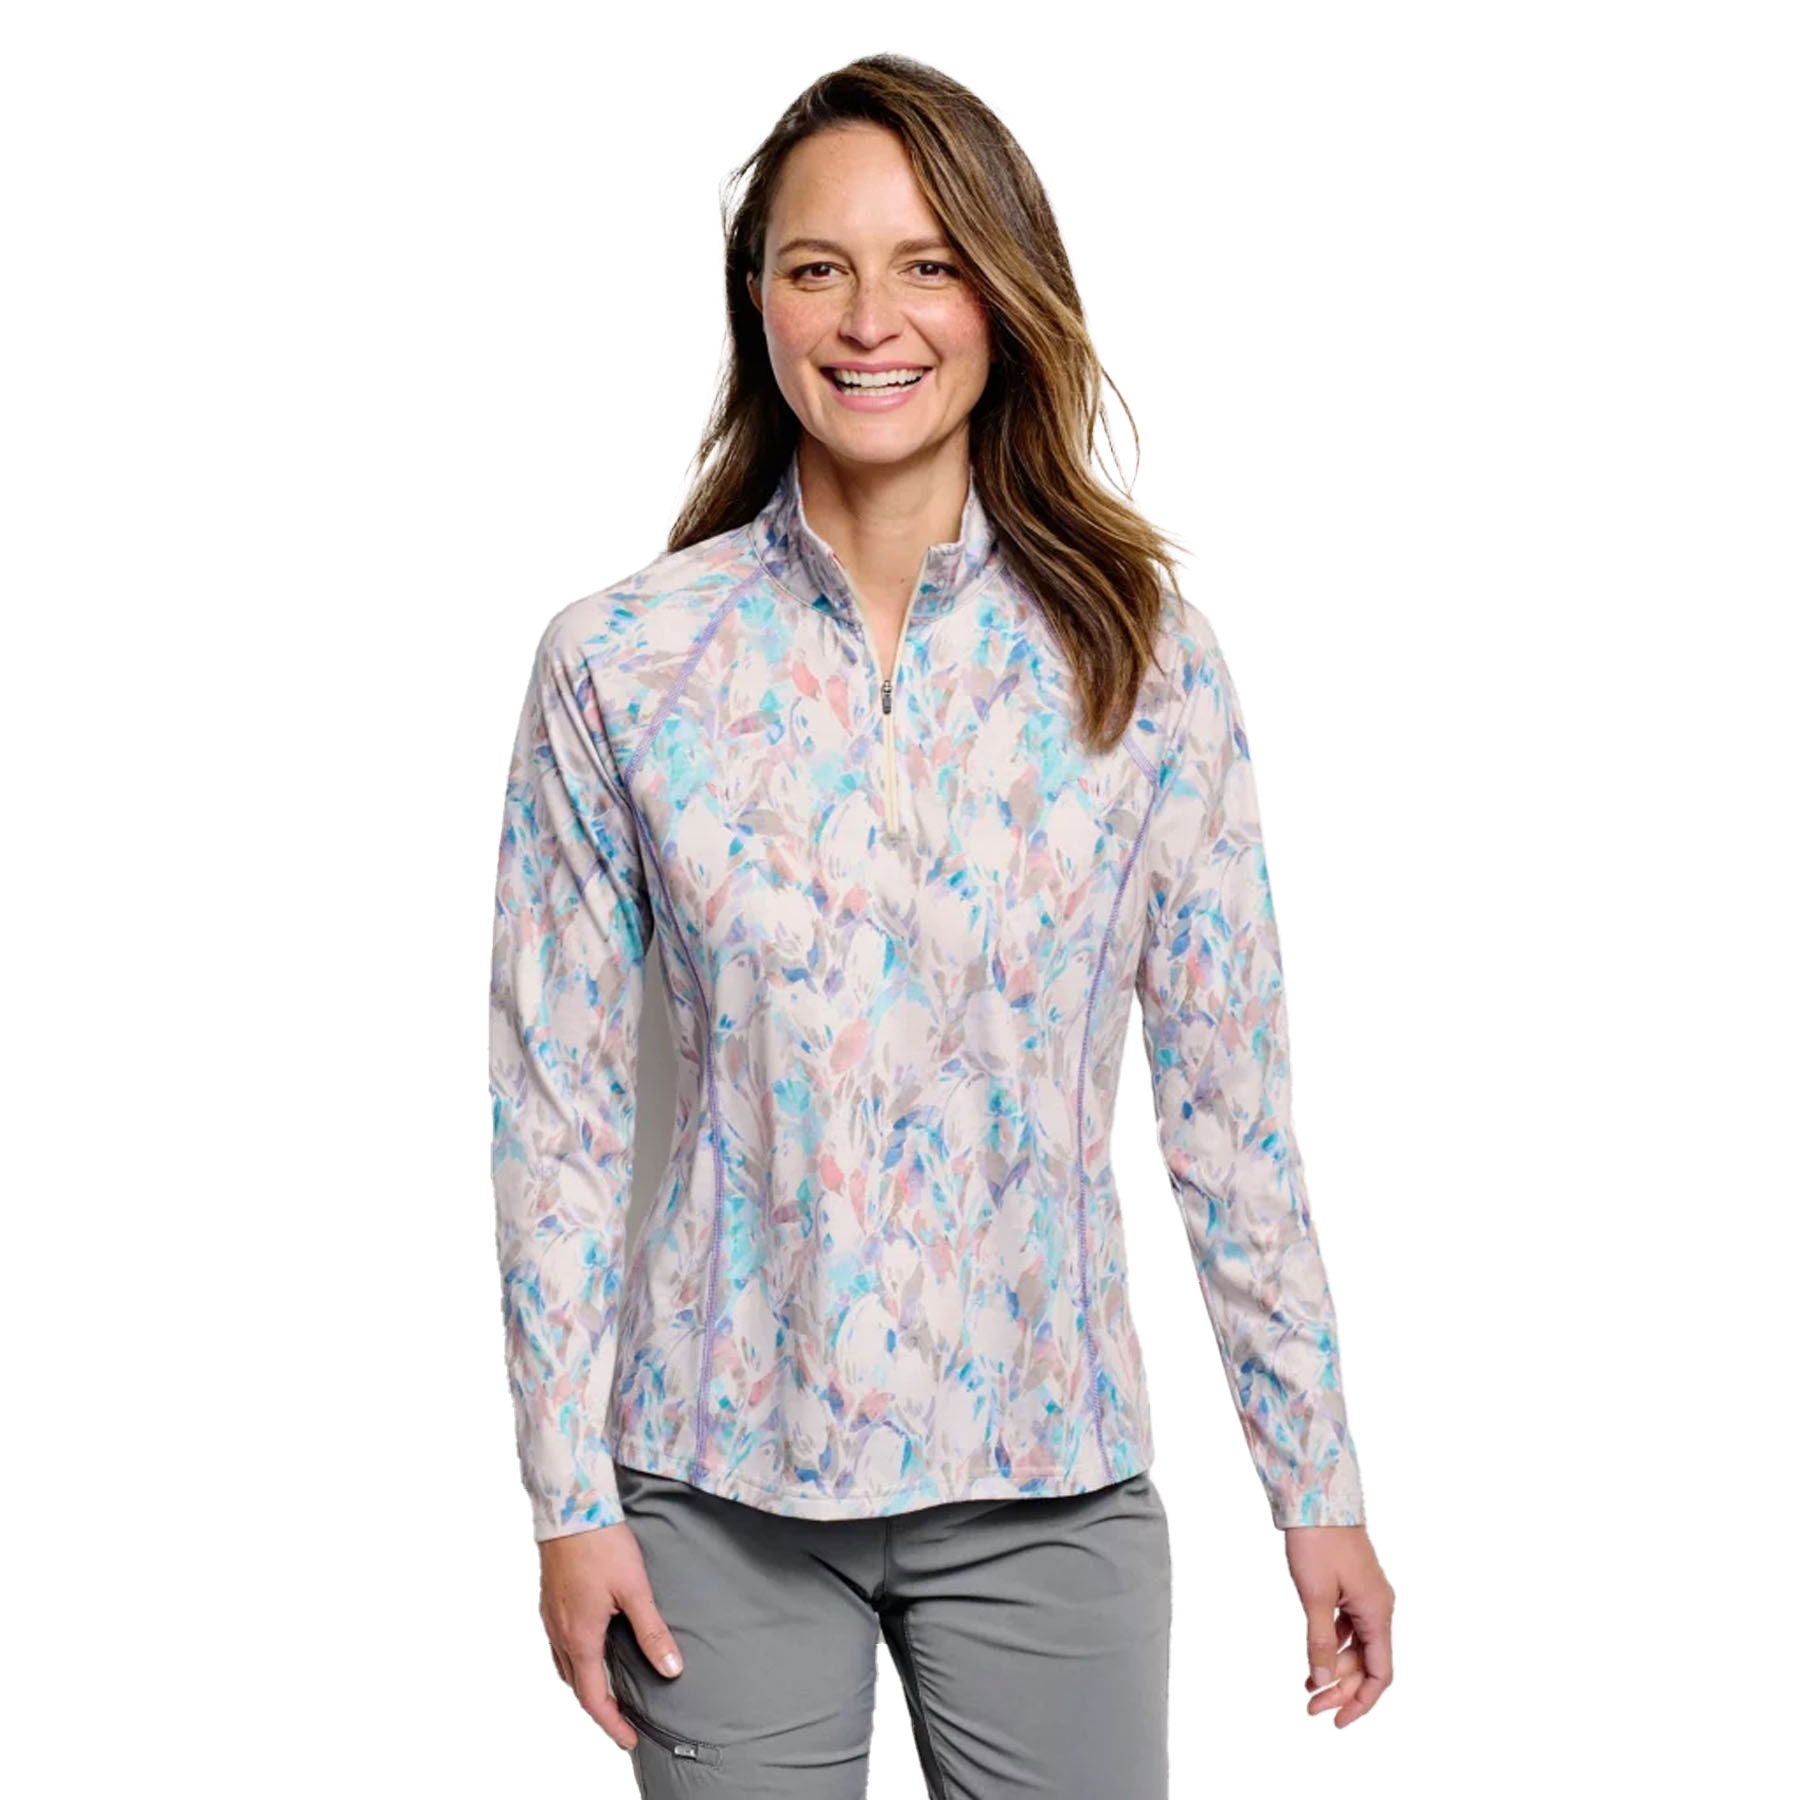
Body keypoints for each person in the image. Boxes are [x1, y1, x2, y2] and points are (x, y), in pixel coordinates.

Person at [488, 51, 1395, 1798]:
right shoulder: (622, 664)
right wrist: (566, 1499)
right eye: (816, 267)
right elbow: (559, 1117)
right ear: (756, 302)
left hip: (1052, 1479)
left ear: (1004, 293)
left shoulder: (1142, 660)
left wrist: (1319, 1485)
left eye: (927, 263)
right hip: (714, 1492)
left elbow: (1232, 1115)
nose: (869, 320)